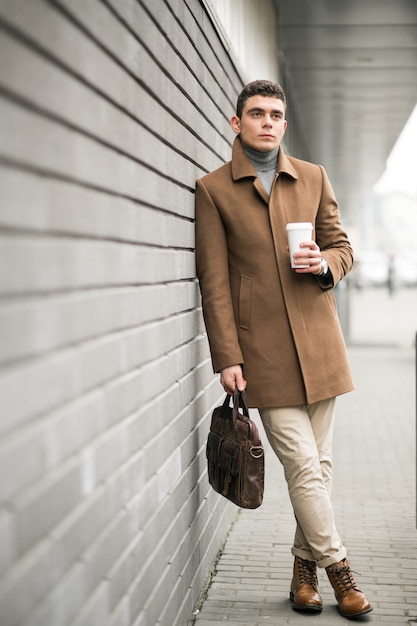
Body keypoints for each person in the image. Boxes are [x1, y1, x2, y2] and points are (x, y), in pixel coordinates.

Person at [195, 80, 372, 619]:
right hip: (262, 353)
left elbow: (343, 247)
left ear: (284, 125)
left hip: (320, 346)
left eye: (275, 114)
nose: (267, 122)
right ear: (237, 123)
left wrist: (325, 265)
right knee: (302, 465)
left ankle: (302, 573)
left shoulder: (313, 177)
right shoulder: (214, 190)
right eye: (256, 114)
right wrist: (226, 355)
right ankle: (340, 572)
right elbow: (214, 280)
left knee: (318, 467)